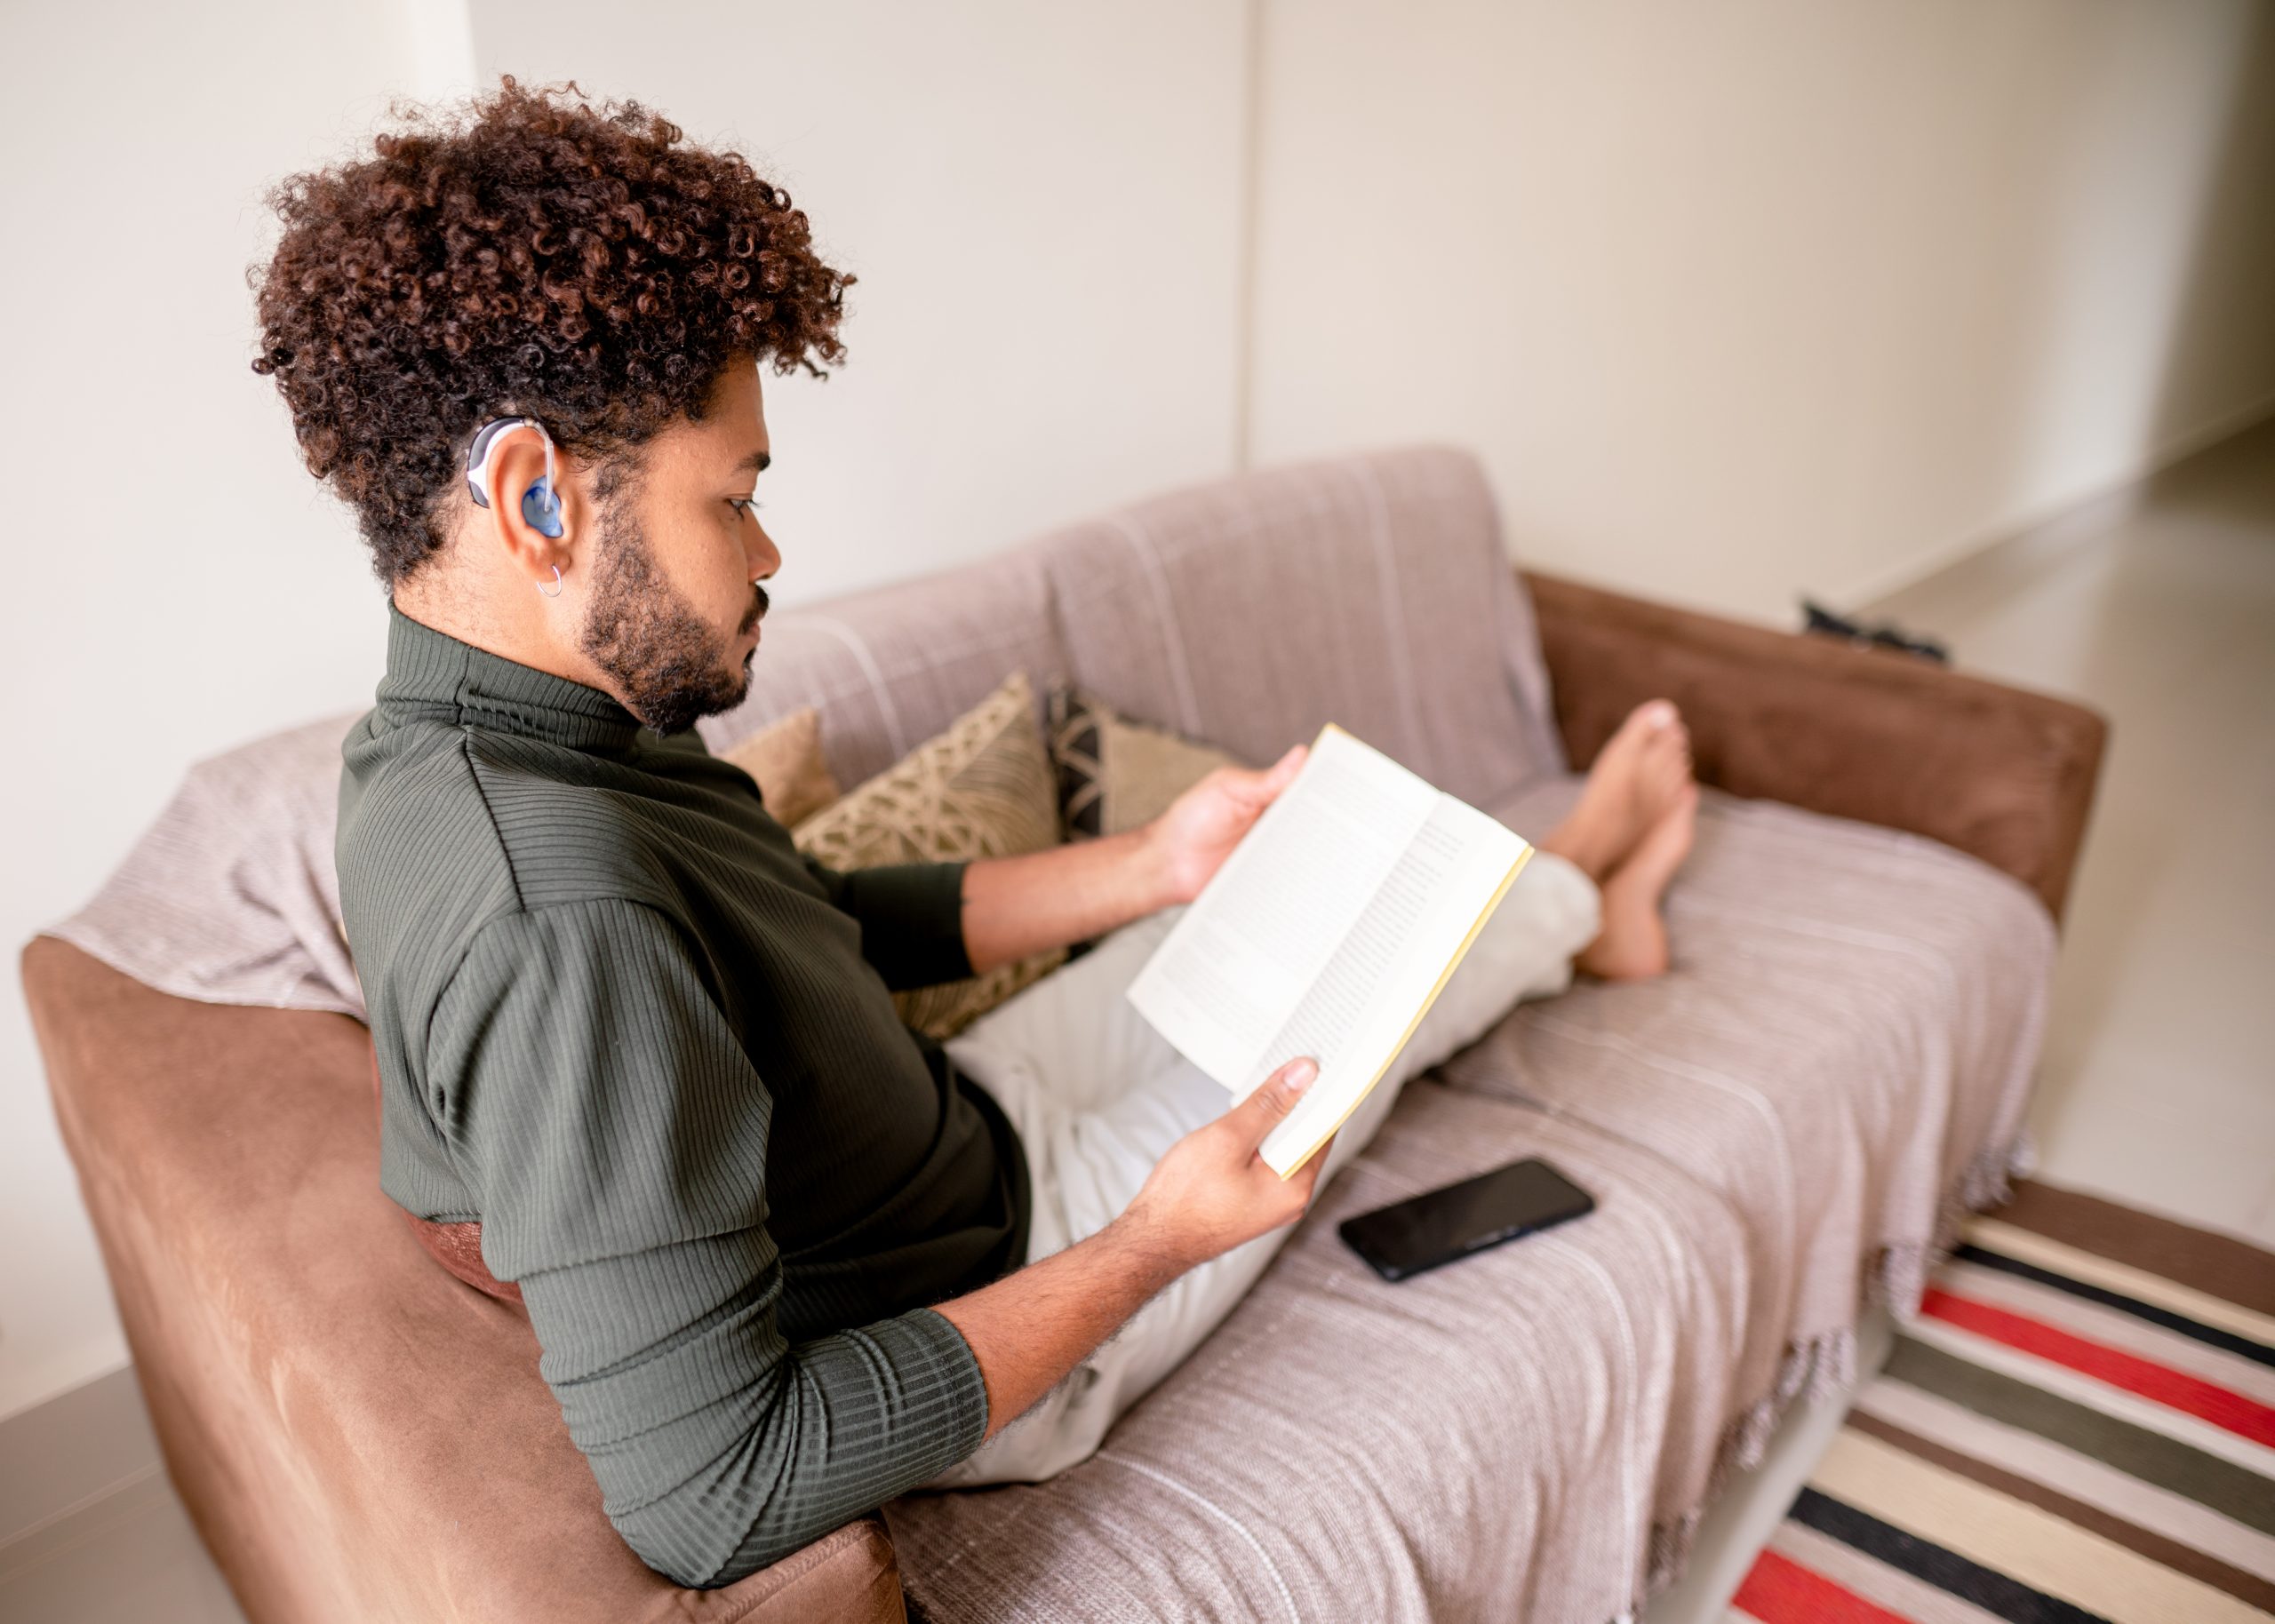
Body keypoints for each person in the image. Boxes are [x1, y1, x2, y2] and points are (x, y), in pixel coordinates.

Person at [254, 76, 1696, 1589]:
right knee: (1398, 982)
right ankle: (1589, 886)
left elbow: (810, 928)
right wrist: (1155, 1242)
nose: (768, 553)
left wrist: (1152, 866)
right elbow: (716, 1496)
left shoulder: (472, 742)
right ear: (536, 497)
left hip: (966, 1124)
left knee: (1285, 901)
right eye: (732, 499)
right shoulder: (559, 913)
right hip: (1014, 1277)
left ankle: (1536, 896)